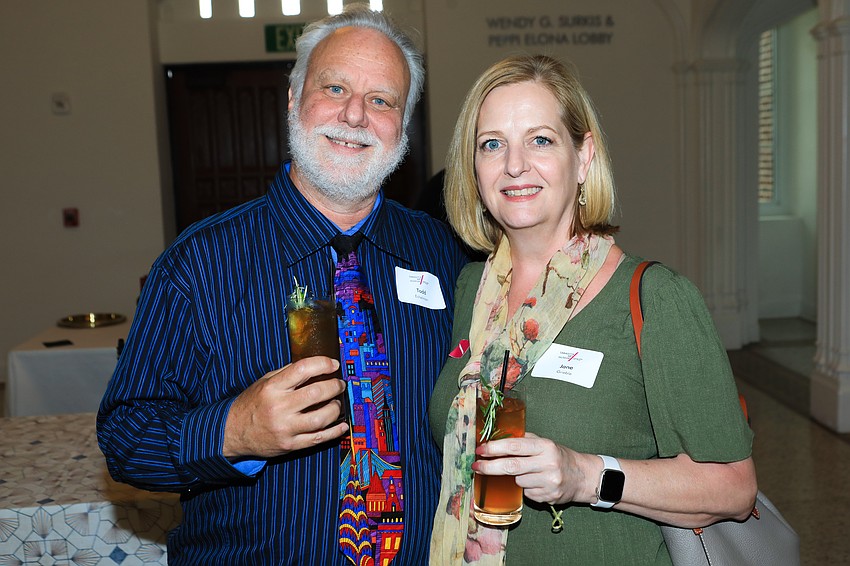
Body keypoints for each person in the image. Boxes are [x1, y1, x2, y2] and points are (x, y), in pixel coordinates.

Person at [97, 5, 468, 565]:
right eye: (335, 88)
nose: (355, 115)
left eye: (381, 100)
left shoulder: (444, 255)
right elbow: (125, 439)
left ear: (403, 125)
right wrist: (234, 431)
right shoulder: (200, 264)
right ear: (294, 100)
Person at [428, 54, 757, 565]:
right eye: (492, 144)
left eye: (540, 140)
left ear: (583, 158)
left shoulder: (656, 298)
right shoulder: (471, 289)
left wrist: (585, 476)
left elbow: (734, 488)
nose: (514, 165)